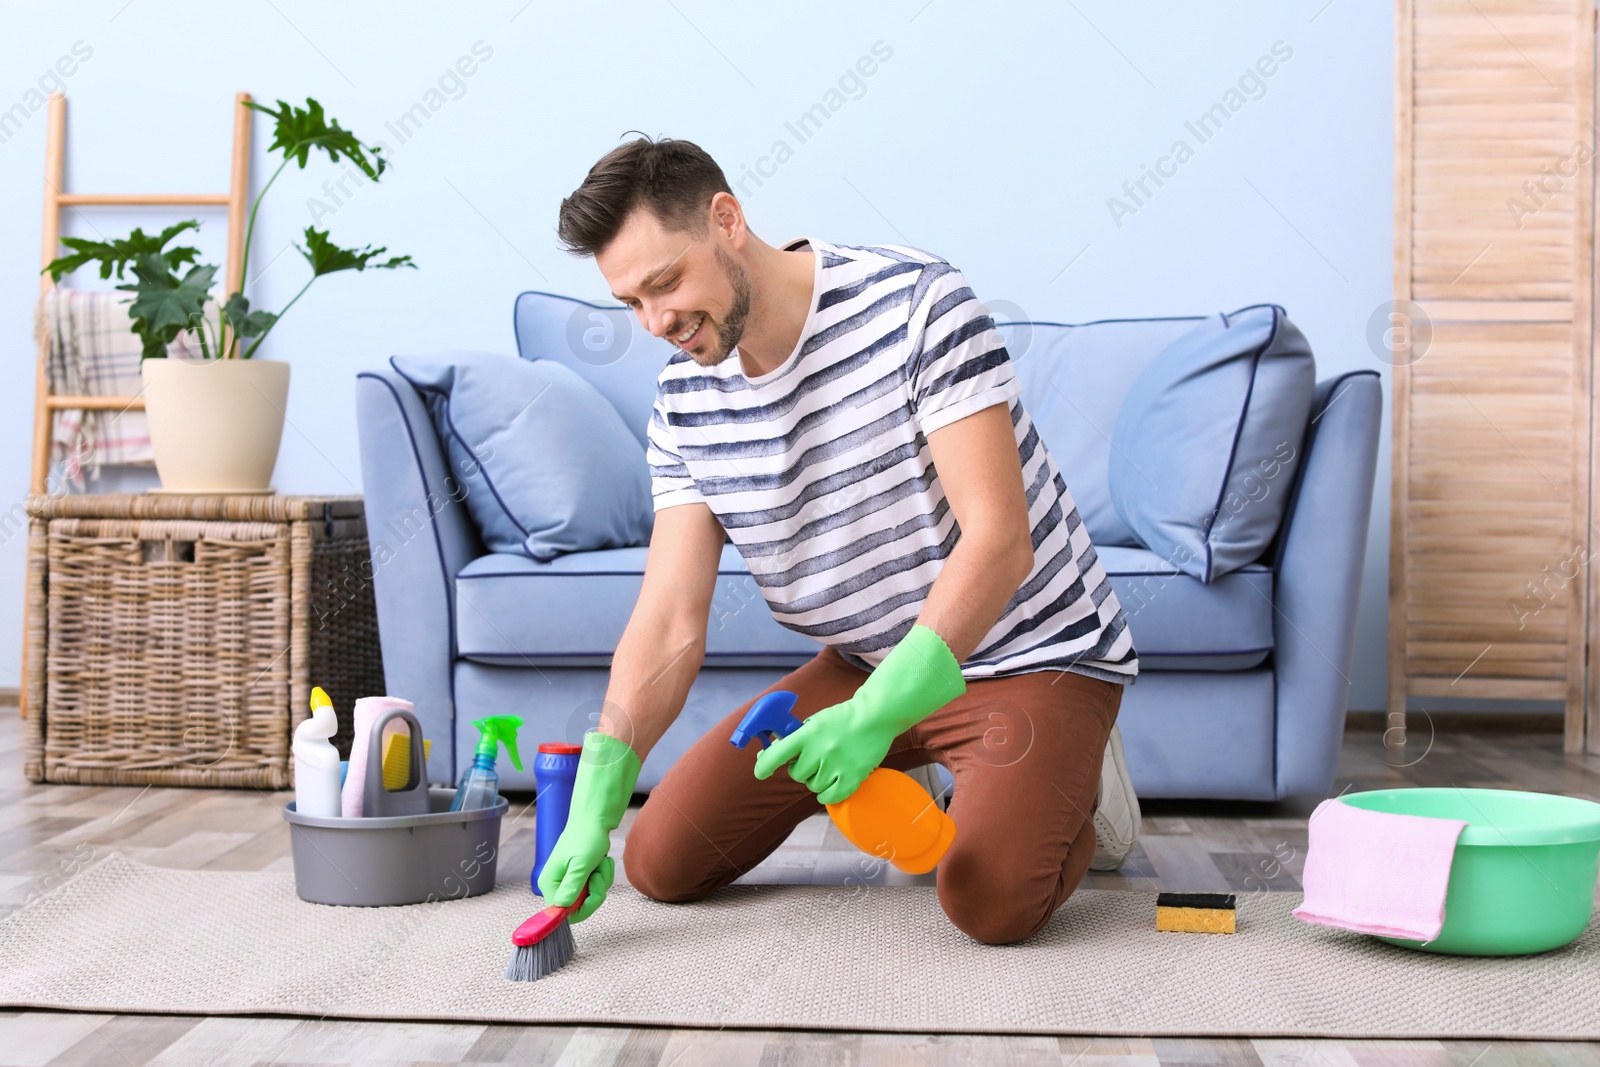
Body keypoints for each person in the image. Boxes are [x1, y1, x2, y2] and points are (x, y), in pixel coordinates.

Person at [537, 135, 1141, 945]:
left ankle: (1079, 780)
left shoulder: (917, 303)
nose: (655, 322)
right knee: (659, 861)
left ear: (727, 220)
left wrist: (875, 716)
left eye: (665, 282)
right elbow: (670, 618)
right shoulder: (684, 400)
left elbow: (1000, 541)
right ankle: (919, 755)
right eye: (630, 303)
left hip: (1029, 653)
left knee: (988, 899)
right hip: (862, 667)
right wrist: (597, 793)